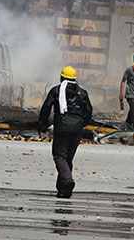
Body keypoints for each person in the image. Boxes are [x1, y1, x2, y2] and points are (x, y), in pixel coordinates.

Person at [37, 65, 93, 199]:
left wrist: (42, 125)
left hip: (62, 127)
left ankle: (67, 181)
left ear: (61, 77)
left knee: (59, 157)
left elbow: (46, 108)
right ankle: (63, 190)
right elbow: (88, 111)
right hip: (77, 129)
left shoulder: (56, 91)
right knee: (67, 158)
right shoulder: (83, 93)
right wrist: (81, 124)